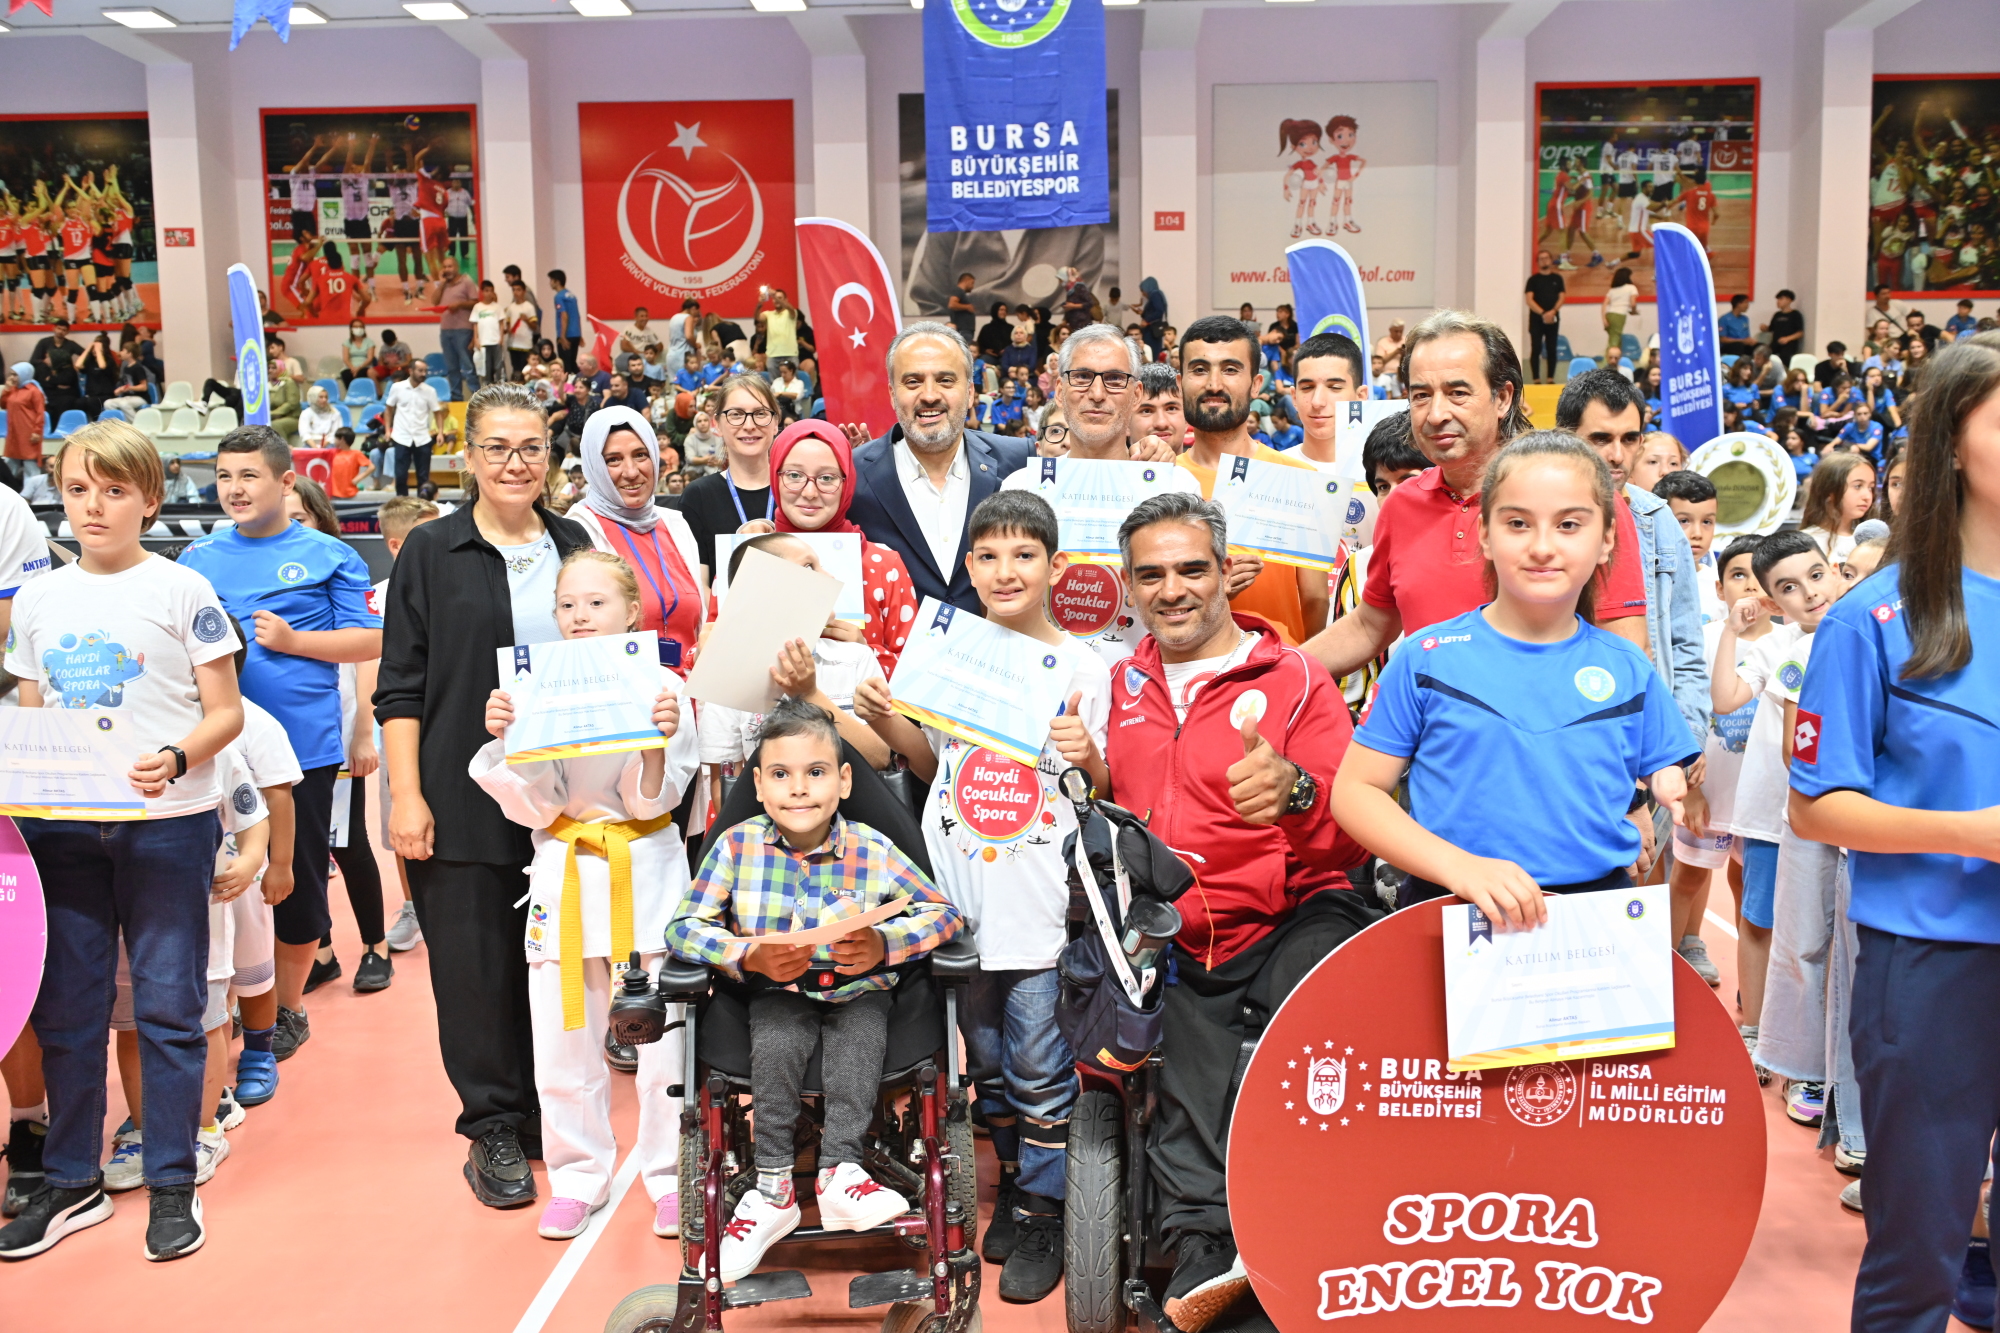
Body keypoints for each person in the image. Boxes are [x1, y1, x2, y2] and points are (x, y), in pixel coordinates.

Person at [1097, 490, 1370, 1330]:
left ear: (1225, 573)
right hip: (1183, 926)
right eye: (1151, 575)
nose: (1172, 589)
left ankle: (1311, 1219)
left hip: (1296, 907)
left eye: (1191, 569)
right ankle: (1206, 1250)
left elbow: (1348, 837)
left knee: (1309, 1029)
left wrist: (1297, 793)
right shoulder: (1119, 683)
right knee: (1178, 1050)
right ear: (1128, 586)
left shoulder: (1295, 678)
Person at [1789, 333, 2000, 1331]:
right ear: (1950, 440)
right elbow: (1815, 805)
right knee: (1917, 1252)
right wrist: (1975, 833)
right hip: (1931, 965)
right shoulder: (1873, 618)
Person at [0, 421, 242, 1264]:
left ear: (149, 498)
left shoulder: (182, 589)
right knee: (67, 1009)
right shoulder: (38, 599)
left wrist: (175, 756)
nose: (93, 506)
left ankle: (172, 1178)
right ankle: (73, 1180)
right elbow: (34, 716)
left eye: (113, 490)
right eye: (77, 489)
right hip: (61, 831)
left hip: (168, 827)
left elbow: (226, 712)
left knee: (169, 1005)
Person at [853, 490, 1105, 1301]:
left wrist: (1086, 754)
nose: (1006, 570)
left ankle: (1044, 1207)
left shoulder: (1084, 666)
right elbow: (934, 765)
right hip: (958, 901)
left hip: (1036, 903)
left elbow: (1100, 790)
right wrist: (883, 718)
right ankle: (1017, 1175)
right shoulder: (949, 650)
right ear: (969, 565)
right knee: (985, 1057)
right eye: (989, 555)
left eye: (1024, 554)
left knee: (1037, 1060)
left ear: (1055, 567)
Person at [376, 383, 597, 1209]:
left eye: (531, 447)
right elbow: (399, 687)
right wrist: (407, 795)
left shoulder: (574, 542)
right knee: (473, 970)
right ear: (468, 456)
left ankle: (546, 1110)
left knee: (554, 964)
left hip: (563, 800)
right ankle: (493, 1125)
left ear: (550, 456)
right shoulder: (430, 551)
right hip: (459, 798)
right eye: (497, 447)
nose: (515, 463)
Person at [1331, 424, 1694, 915]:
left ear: (1607, 539)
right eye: (1518, 523)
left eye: (1569, 525)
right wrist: (1459, 867)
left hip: (1596, 916)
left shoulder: (1627, 666)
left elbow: (1659, 758)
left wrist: (1668, 778)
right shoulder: (1425, 658)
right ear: (1485, 533)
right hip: (1452, 908)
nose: (1542, 546)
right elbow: (1355, 792)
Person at [664, 698, 963, 1281]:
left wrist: (884, 945)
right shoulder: (737, 847)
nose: (799, 788)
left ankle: (840, 1172)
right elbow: (682, 927)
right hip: (775, 989)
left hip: (860, 987)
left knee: (861, 1032)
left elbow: (943, 914)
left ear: (844, 781)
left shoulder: (873, 850)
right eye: (780, 774)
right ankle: (773, 1187)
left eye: (816, 772)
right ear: (758, 784)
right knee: (777, 1038)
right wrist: (747, 953)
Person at [471, 549, 698, 1241]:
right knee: (563, 1038)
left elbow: (656, 798)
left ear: (632, 611)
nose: (579, 615)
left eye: (596, 603)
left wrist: (656, 744)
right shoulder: (530, 686)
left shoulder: (663, 684)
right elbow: (537, 807)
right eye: (567, 604)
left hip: (644, 864)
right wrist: (507, 738)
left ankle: (672, 1173)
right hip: (564, 865)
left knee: (664, 1044)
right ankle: (576, 1174)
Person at [1303, 310, 1651, 683]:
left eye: (1457, 393)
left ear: (1503, 398)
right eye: (1421, 396)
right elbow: (1371, 625)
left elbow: (1625, 651)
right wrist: (1278, 669)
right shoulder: (1402, 505)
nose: (1436, 414)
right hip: (1430, 717)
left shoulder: (1580, 498)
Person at [179, 428, 382, 1060]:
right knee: (220, 883)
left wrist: (296, 643)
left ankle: (289, 1006)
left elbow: (371, 640)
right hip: (212, 747)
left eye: (249, 476)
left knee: (291, 881)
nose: (234, 489)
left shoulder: (329, 554)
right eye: (225, 476)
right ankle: (242, 1005)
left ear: (285, 481)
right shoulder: (197, 558)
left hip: (302, 749)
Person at [1709, 529, 1836, 1070]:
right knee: (1759, 921)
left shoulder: (1860, 639)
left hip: (1835, 817)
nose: (1809, 592)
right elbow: (1724, 700)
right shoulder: (1775, 648)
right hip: (1769, 814)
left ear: (1834, 571)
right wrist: (1731, 633)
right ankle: (1755, 1031)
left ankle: (1815, 1048)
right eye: (1788, 587)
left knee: (1821, 933)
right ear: (1773, 601)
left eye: (1816, 575)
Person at [1557, 371, 1709, 754]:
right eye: (1600, 439)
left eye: (1629, 439)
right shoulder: (1540, 520)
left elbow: (1686, 642)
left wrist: (1688, 736)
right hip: (1564, 731)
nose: (1616, 454)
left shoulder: (1660, 519)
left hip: (1649, 734)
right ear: (1565, 436)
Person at [845, 323, 1031, 614]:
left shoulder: (1021, 461)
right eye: (913, 382)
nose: (929, 395)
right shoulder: (851, 474)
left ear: (970, 392)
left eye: (945, 380)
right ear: (892, 394)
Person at [1168, 316, 1330, 645]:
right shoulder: (1163, 481)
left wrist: (1301, 663)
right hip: (1184, 667)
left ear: (1256, 384)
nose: (1214, 384)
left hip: (1279, 667)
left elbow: (1315, 600)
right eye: (1199, 370)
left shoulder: (1299, 478)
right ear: (1180, 382)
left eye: (1230, 369)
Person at [696, 534, 891, 778]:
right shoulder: (727, 677)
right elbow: (724, 785)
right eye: (809, 567)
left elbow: (880, 758)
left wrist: (809, 694)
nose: (830, 578)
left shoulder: (856, 659)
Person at [561, 408, 707, 674]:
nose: (631, 471)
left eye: (641, 455)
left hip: (692, 694)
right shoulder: (577, 531)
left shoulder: (675, 525)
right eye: (613, 460)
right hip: (625, 693)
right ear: (594, 466)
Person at [677, 374, 778, 583]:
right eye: (736, 414)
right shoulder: (698, 496)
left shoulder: (799, 489)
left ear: (775, 422)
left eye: (760, 413)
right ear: (717, 424)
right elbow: (700, 586)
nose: (749, 425)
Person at [1800, 452, 1878, 566]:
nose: (1867, 496)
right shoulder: (1805, 543)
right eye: (1857, 486)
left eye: (1871, 488)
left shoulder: (1872, 541)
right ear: (1830, 491)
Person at [382, 357, 445, 496]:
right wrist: (387, 430)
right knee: (400, 475)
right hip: (401, 436)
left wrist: (440, 432)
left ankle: (423, 504)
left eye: (425, 371)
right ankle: (403, 504)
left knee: (423, 476)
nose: (423, 374)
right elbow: (388, 409)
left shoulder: (430, 391)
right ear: (410, 371)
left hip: (422, 437)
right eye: (420, 370)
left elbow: (437, 413)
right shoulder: (397, 387)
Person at [433, 257, 479, 401]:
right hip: (445, 330)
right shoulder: (443, 285)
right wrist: (441, 283)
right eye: (445, 267)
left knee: (468, 366)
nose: (447, 269)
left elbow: (475, 303)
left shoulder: (466, 282)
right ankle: (456, 398)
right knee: (452, 367)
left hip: (463, 330)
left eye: (450, 266)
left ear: (457, 267)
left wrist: (459, 305)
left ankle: (477, 398)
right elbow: (434, 301)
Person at [1524, 249, 1566, 382]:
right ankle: (1536, 379)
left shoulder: (1557, 278)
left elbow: (1562, 297)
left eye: (1546, 258)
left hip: (1553, 319)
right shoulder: (1533, 280)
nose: (1544, 261)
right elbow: (1529, 300)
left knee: (1551, 348)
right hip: (1536, 320)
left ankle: (1550, 378)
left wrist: (1553, 311)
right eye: (1541, 259)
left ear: (1551, 260)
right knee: (1536, 348)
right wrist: (1543, 313)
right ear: (1537, 262)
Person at [3, 363, 45, 472]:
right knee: (10, 465)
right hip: (14, 434)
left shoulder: (34, 391)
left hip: (28, 433)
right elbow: (3, 405)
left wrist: (37, 431)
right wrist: (6, 389)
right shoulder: (13, 389)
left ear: (24, 374)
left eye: (15, 375)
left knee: (30, 464)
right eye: (11, 374)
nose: (12, 378)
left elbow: (40, 413)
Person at [1602, 266, 1638, 362]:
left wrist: (1604, 318)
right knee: (1614, 342)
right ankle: (1607, 363)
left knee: (1614, 339)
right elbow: (1633, 303)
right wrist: (1634, 311)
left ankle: (1613, 361)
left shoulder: (1612, 290)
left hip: (1610, 314)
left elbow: (1604, 304)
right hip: (1619, 315)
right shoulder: (1631, 288)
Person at [548, 270, 582, 371]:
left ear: (557, 281)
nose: (550, 283)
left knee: (565, 365)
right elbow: (577, 315)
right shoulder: (571, 295)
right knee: (572, 362)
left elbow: (564, 315)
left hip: (566, 335)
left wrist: (562, 336)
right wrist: (580, 334)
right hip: (575, 334)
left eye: (551, 280)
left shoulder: (559, 297)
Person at [1764, 289, 1806, 364]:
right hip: (1775, 343)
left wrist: (1787, 339)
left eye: (1781, 299)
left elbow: (1800, 333)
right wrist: (1764, 328)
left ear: (1789, 300)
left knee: (1785, 356)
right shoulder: (1777, 315)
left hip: (1789, 344)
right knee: (1764, 354)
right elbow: (1771, 328)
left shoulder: (1795, 314)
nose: (1778, 302)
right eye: (1778, 299)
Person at [298, 385, 342, 450]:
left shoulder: (334, 413)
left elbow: (335, 432)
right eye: (321, 397)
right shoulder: (306, 413)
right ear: (313, 398)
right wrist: (315, 448)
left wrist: (324, 445)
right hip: (311, 444)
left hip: (329, 443)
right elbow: (304, 434)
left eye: (326, 397)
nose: (324, 400)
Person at [1719, 294, 1756, 358]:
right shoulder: (1724, 319)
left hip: (1743, 344)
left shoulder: (1745, 319)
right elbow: (1723, 339)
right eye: (1746, 302)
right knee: (1738, 346)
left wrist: (1751, 341)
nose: (1748, 305)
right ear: (1738, 304)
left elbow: (1747, 337)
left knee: (1759, 347)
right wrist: (1742, 341)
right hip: (1730, 346)